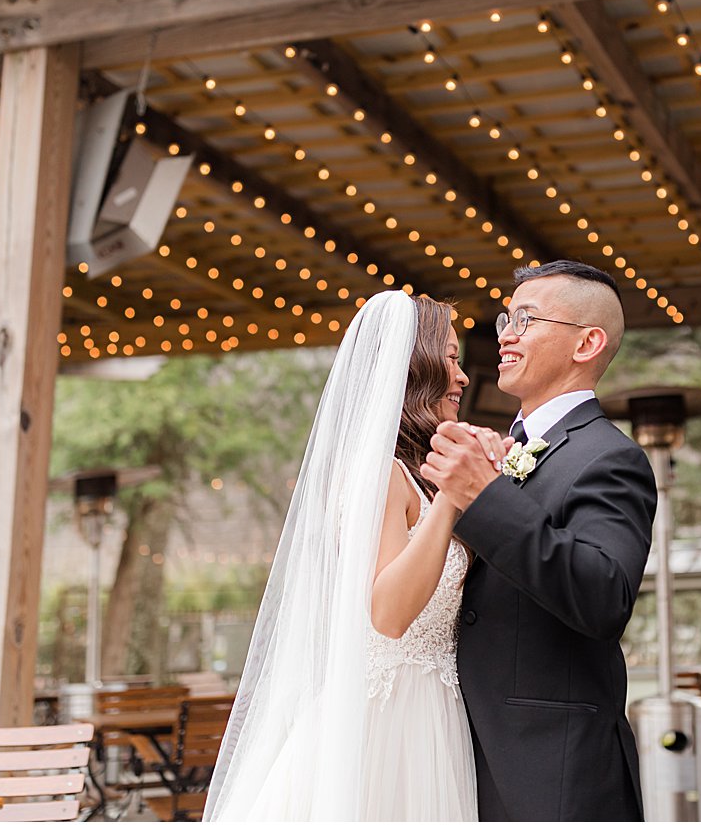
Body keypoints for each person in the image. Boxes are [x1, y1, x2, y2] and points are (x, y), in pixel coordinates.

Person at [205, 289, 489, 821]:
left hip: (432, 707)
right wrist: (453, 497)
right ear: (415, 369)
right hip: (386, 718)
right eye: (451, 358)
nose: (463, 376)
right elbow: (388, 613)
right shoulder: (381, 475)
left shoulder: (417, 476)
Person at [424, 260, 658, 821]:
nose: (505, 334)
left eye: (526, 320)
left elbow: (603, 597)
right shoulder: (498, 450)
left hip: (554, 770)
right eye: (508, 318)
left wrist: (485, 499)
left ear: (587, 344)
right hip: (459, 754)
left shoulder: (611, 457)